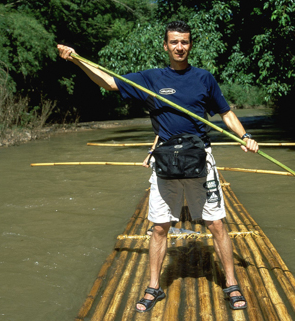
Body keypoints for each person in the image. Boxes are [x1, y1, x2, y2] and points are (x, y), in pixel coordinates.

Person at [57, 20, 259, 312]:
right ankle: (154, 287)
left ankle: (230, 283)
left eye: (185, 42)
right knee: (159, 227)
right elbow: (109, 82)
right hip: (165, 160)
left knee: (216, 224)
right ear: (165, 45)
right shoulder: (150, 79)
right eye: (174, 42)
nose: (180, 47)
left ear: (191, 45)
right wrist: (77, 60)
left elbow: (226, 113)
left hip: (200, 157)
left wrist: (245, 136)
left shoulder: (204, 78)